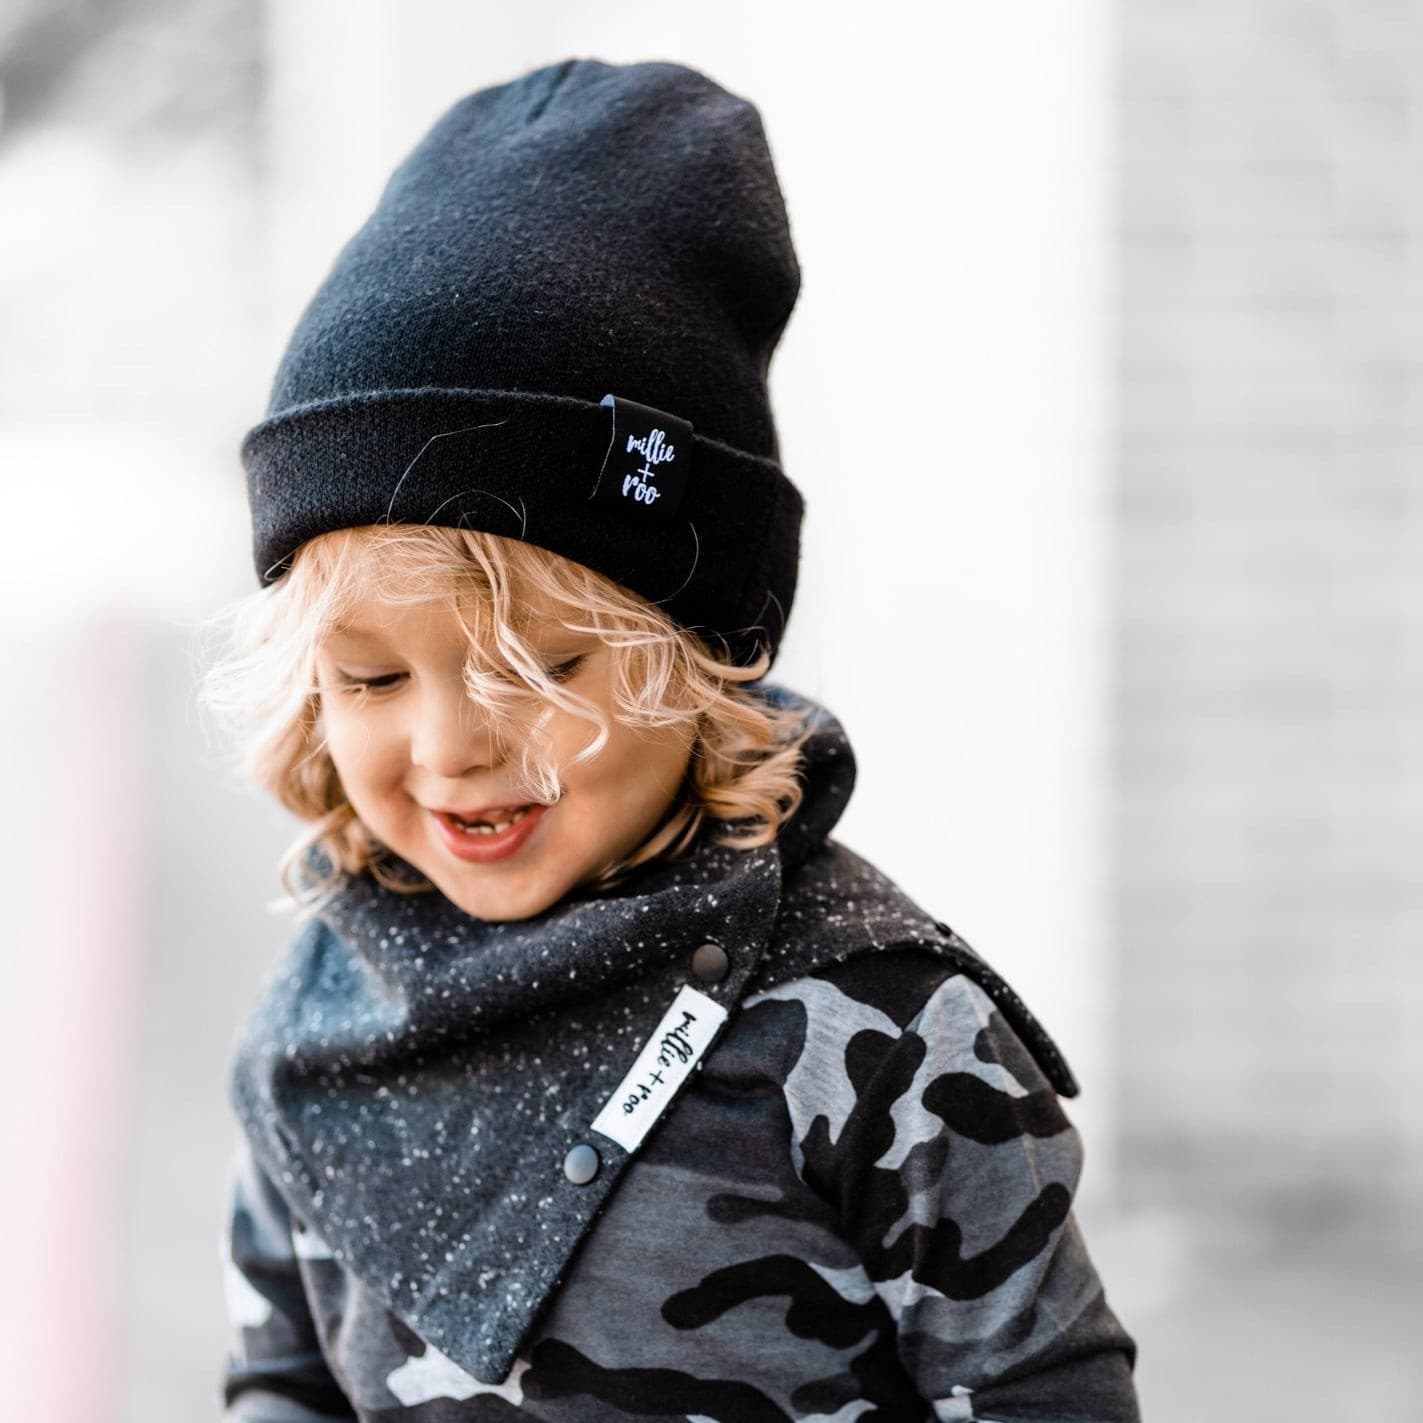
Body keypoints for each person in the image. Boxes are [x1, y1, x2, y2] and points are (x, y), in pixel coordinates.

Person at [203, 56, 1141, 1422]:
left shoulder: (879, 1034)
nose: (451, 746)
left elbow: (1043, 1392)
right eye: (370, 676)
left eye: (543, 668)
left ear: (700, 656)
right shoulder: (322, 1019)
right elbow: (280, 1378)